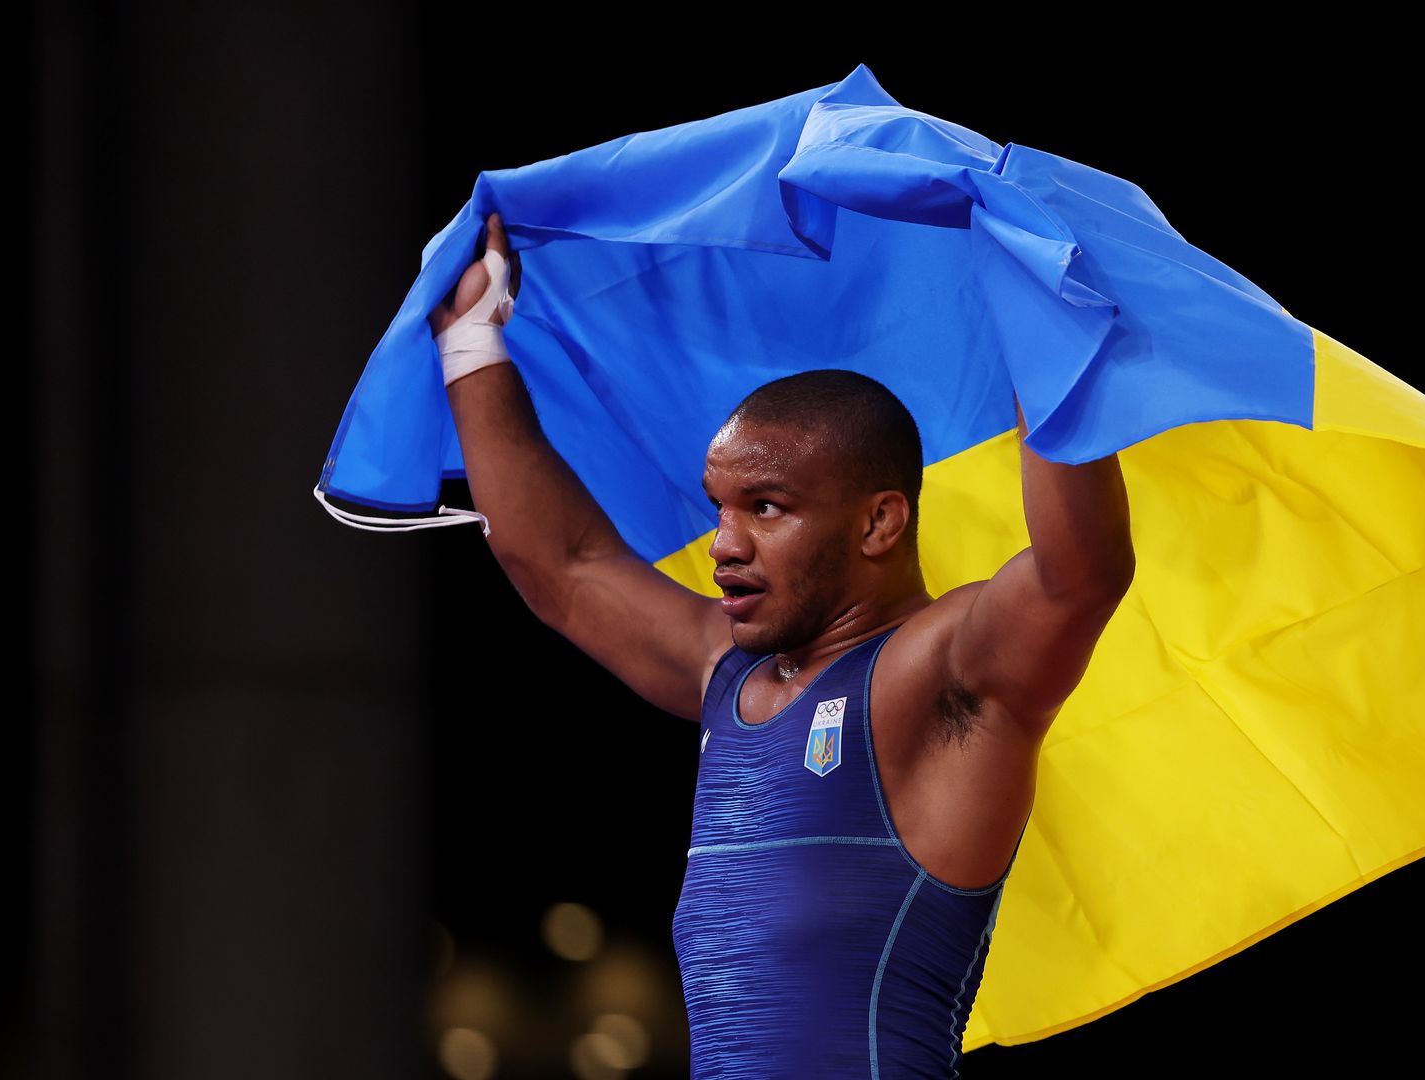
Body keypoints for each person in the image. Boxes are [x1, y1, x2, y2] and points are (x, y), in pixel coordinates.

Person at [431, 212, 1135, 1076]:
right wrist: (470, 340)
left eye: (765, 507)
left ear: (879, 522)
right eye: (719, 507)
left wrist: (1034, 313)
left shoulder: (943, 670)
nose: (724, 544)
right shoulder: (725, 674)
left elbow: (1079, 573)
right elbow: (563, 564)